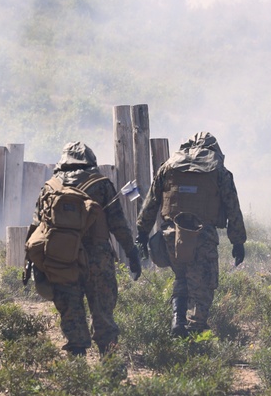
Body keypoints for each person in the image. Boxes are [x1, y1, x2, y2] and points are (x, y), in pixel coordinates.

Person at [26, 142, 142, 356]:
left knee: (71, 312)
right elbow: (119, 224)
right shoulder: (101, 184)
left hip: (61, 259)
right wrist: (132, 253)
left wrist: (30, 262)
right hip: (98, 258)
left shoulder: (49, 186)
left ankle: (76, 370)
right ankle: (111, 370)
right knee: (103, 314)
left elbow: (36, 227)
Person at [135, 132, 246, 337]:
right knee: (204, 284)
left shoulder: (168, 166)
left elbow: (151, 203)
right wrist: (238, 242)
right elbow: (233, 208)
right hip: (203, 236)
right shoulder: (219, 171)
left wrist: (141, 233)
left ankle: (178, 321)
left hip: (172, 235)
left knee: (181, 277)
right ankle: (194, 334)